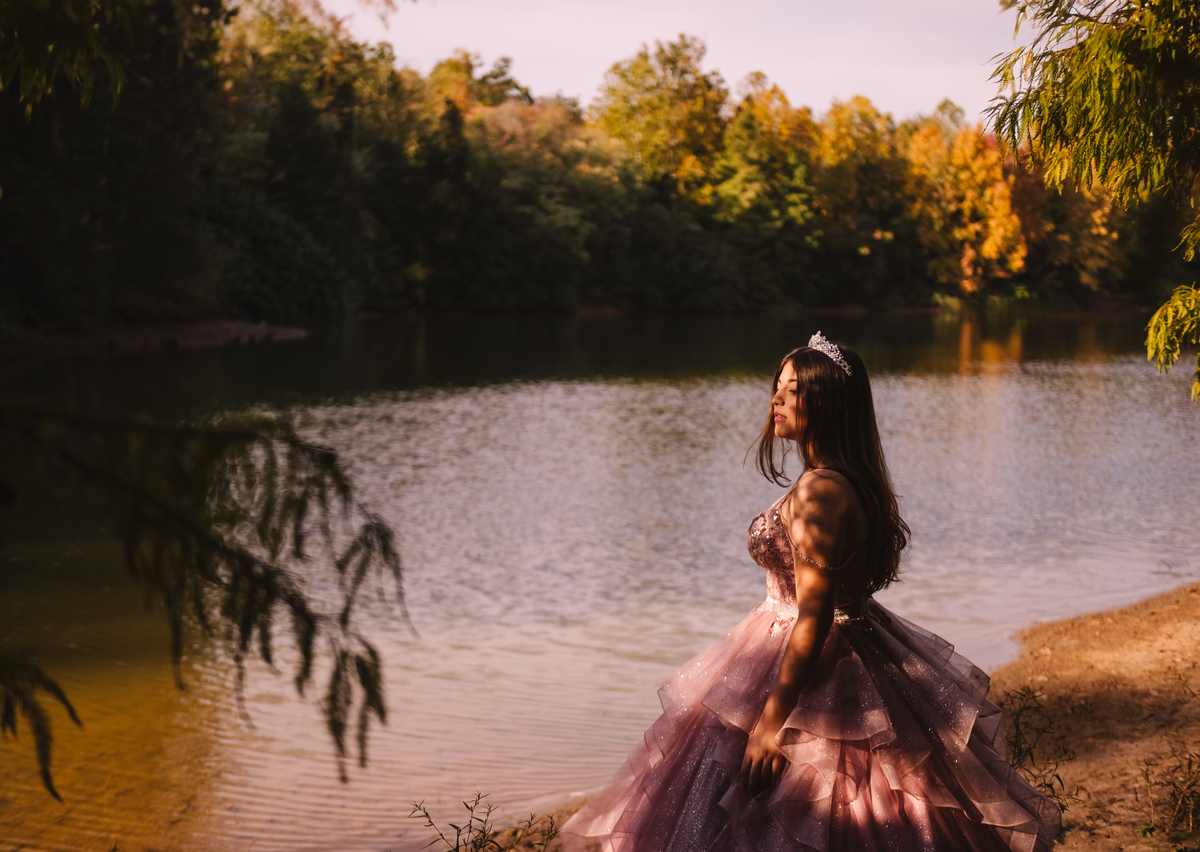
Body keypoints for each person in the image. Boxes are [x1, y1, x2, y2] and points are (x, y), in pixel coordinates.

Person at [561, 333, 1061, 852]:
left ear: (826, 402)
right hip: (841, 642)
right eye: (777, 387)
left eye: (793, 390)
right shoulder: (841, 480)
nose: (775, 400)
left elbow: (814, 615)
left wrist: (770, 722)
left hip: (809, 657)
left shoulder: (821, 491)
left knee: (802, 806)